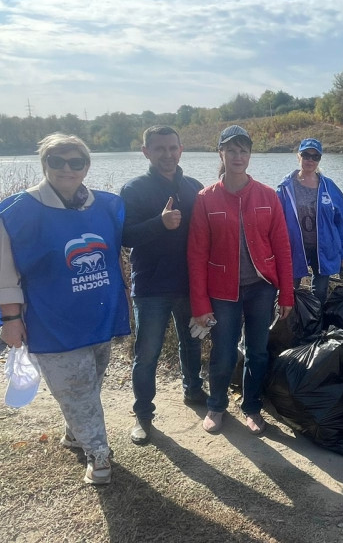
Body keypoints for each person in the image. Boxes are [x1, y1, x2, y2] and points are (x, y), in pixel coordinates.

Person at [0, 133, 130, 485]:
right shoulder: (19, 212)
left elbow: (117, 260)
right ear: (44, 165)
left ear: (86, 166)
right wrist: (10, 320)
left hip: (98, 317)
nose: (67, 169)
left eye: (76, 162)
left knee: (88, 384)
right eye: (57, 162)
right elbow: (4, 272)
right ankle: (99, 455)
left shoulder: (106, 206)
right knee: (78, 388)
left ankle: (74, 433)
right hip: (52, 320)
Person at [188, 125, 294, 435]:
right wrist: (200, 304)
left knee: (258, 351)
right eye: (231, 150)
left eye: (243, 150)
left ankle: (251, 407)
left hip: (261, 288)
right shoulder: (206, 198)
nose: (238, 156)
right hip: (222, 292)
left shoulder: (267, 195)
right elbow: (195, 255)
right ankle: (217, 406)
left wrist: (286, 293)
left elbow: (283, 248)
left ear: (250, 155)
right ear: (220, 153)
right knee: (223, 351)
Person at [120, 125, 205, 445]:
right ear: (146, 152)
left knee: (192, 342)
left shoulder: (194, 188)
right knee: (147, 353)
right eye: (159, 149)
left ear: (181, 149)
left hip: (188, 284)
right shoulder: (134, 189)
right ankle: (143, 415)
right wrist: (160, 223)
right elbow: (124, 237)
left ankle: (193, 390)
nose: (167, 155)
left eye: (172, 148)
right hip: (151, 288)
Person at [276, 138, 343, 305]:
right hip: (294, 249)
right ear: (299, 156)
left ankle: (314, 327)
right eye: (306, 155)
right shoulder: (285, 187)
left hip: (323, 249)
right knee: (288, 292)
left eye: (315, 156)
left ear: (319, 159)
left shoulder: (329, 186)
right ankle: (288, 327)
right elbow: (274, 222)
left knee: (318, 294)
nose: (310, 160)